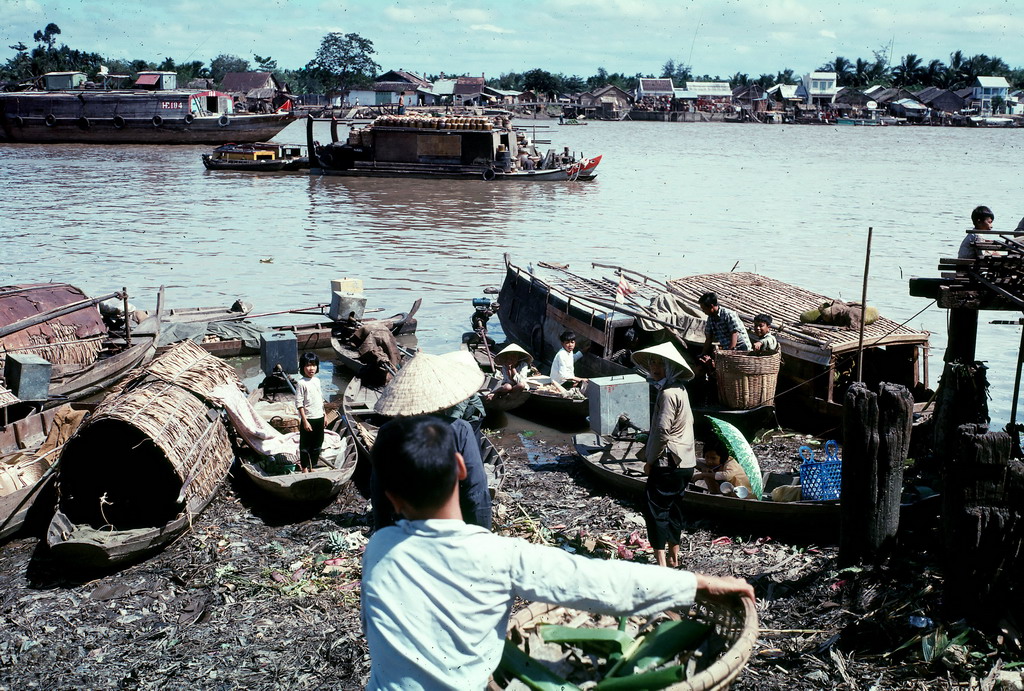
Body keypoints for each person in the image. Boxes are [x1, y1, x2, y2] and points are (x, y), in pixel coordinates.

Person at [361, 416, 756, 690]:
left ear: (390, 495)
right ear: (462, 468)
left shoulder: (378, 550)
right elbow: (600, 582)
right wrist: (698, 583)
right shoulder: (499, 556)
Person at [371, 351, 491, 531]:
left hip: (404, 526)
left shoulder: (387, 432)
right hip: (453, 525)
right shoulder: (459, 429)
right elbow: (476, 490)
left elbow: (379, 492)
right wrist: (482, 533)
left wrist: (383, 533)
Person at [632, 342, 697, 568]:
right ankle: (674, 557)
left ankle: (661, 564)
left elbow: (661, 431)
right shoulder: (680, 389)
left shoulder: (668, 394)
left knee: (656, 510)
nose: (655, 367)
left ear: (671, 368)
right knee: (674, 509)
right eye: (653, 362)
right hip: (686, 463)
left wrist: (649, 461)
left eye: (660, 363)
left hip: (669, 462)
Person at [698, 292, 751, 364]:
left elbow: (734, 334)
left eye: (704, 309)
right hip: (727, 349)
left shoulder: (728, 314)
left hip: (741, 348)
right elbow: (709, 338)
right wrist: (703, 354)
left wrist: (729, 353)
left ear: (711, 306)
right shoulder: (710, 319)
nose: (703, 311)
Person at [295, 352, 324, 473]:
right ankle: (304, 467)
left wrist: (325, 414)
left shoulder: (317, 381)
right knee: (305, 445)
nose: (311, 368)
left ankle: (313, 465)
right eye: (308, 365)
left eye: (313, 365)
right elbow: (299, 404)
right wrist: (305, 421)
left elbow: (320, 399)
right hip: (309, 418)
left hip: (319, 417)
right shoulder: (301, 383)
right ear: (302, 367)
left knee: (318, 443)